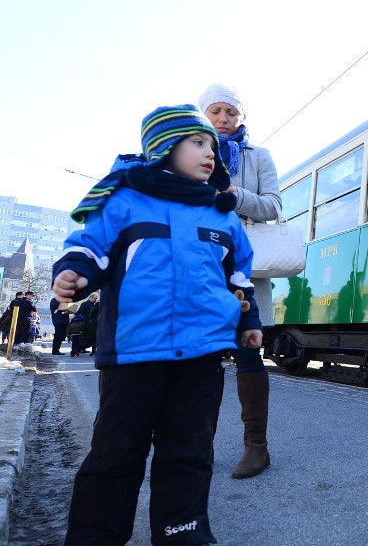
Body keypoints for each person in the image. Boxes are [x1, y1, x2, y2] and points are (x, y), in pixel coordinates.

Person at [53, 104, 262, 545]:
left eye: (213, 147)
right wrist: (75, 273)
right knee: (116, 450)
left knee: (189, 448)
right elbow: (92, 250)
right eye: (198, 143)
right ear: (165, 147)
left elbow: (238, 276)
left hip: (201, 354)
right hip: (134, 352)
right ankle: (95, 536)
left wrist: (248, 322)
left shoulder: (221, 214)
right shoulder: (124, 201)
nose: (212, 154)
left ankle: (182, 532)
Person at [199, 83, 282, 479]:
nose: (223, 119)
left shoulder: (258, 156)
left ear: (240, 117)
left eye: (230, 112)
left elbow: (273, 206)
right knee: (205, 358)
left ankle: (256, 448)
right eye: (215, 111)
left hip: (243, 269)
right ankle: (201, 445)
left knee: (249, 352)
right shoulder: (191, 153)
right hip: (202, 269)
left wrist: (235, 194)